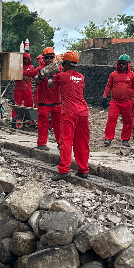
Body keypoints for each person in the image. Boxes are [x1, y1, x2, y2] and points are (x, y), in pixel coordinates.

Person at [51, 50, 89, 180]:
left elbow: (51, 83)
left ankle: (64, 170)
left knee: (66, 141)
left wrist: (50, 74)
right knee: (82, 141)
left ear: (66, 64)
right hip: (83, 111)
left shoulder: (62, 76)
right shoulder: (81, 77)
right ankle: (83, 169)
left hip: (69, 112)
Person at [102, 54, 134, 147]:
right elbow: (108, 86)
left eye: (123, 63)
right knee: (111, 119)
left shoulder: (133, 75)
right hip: (115, 101)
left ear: (128, 64)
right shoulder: (113, 75)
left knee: (128, 121)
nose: (121, 65)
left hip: (128, 102)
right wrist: (104, 97)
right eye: (119, 63)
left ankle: (125, 139)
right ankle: (108, 138)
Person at [27, 47, 61, 151]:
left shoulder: (59, 69)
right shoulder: (39, 70)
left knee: (59, 124)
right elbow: (34, 78)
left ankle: (61, 143)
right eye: (47, 57)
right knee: (42, 123)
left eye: (51, 57)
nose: (49, 59)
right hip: (43, 102)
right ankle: (41, 143)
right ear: (44, 58)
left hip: (56, 101)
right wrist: (40, 76)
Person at [12, 42, 33, 125]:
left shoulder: (31, 67)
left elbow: (33, 74)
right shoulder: (18, 67)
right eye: (24, 58)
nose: (25, 60)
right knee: (17, 104)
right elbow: (13, 75)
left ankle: (30, 120)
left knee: (29, 104)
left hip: (28, 88)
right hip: (19, 88)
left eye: (27, 59)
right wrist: (22, 77)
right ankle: (15, 118)